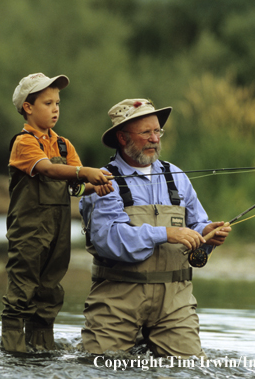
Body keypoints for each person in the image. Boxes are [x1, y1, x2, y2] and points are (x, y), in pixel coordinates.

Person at [79, 98, 232, 358]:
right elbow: (110, 239)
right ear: (123, 138)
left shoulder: (177, 176)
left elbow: (196, 223)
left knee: (189, 369)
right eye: (146, 132)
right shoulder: (103, 181)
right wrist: (167, 233)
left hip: (175, 303)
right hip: (117, 300)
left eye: (157, 131)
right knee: (101, 367)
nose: (154, 139)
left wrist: (208, 233)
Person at [1, 73, 113, 353]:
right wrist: (83, 171)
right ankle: (12, 351)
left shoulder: (64, 145)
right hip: (28, 231)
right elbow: (48, 170)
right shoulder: (24, 142)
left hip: (59, 232)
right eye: (48, 103)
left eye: (58, 103)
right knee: (22, 289)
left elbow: (73, 188)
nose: (55, 109)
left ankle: (41, 349)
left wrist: (94, 186)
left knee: (49, 290)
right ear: (28, 107)